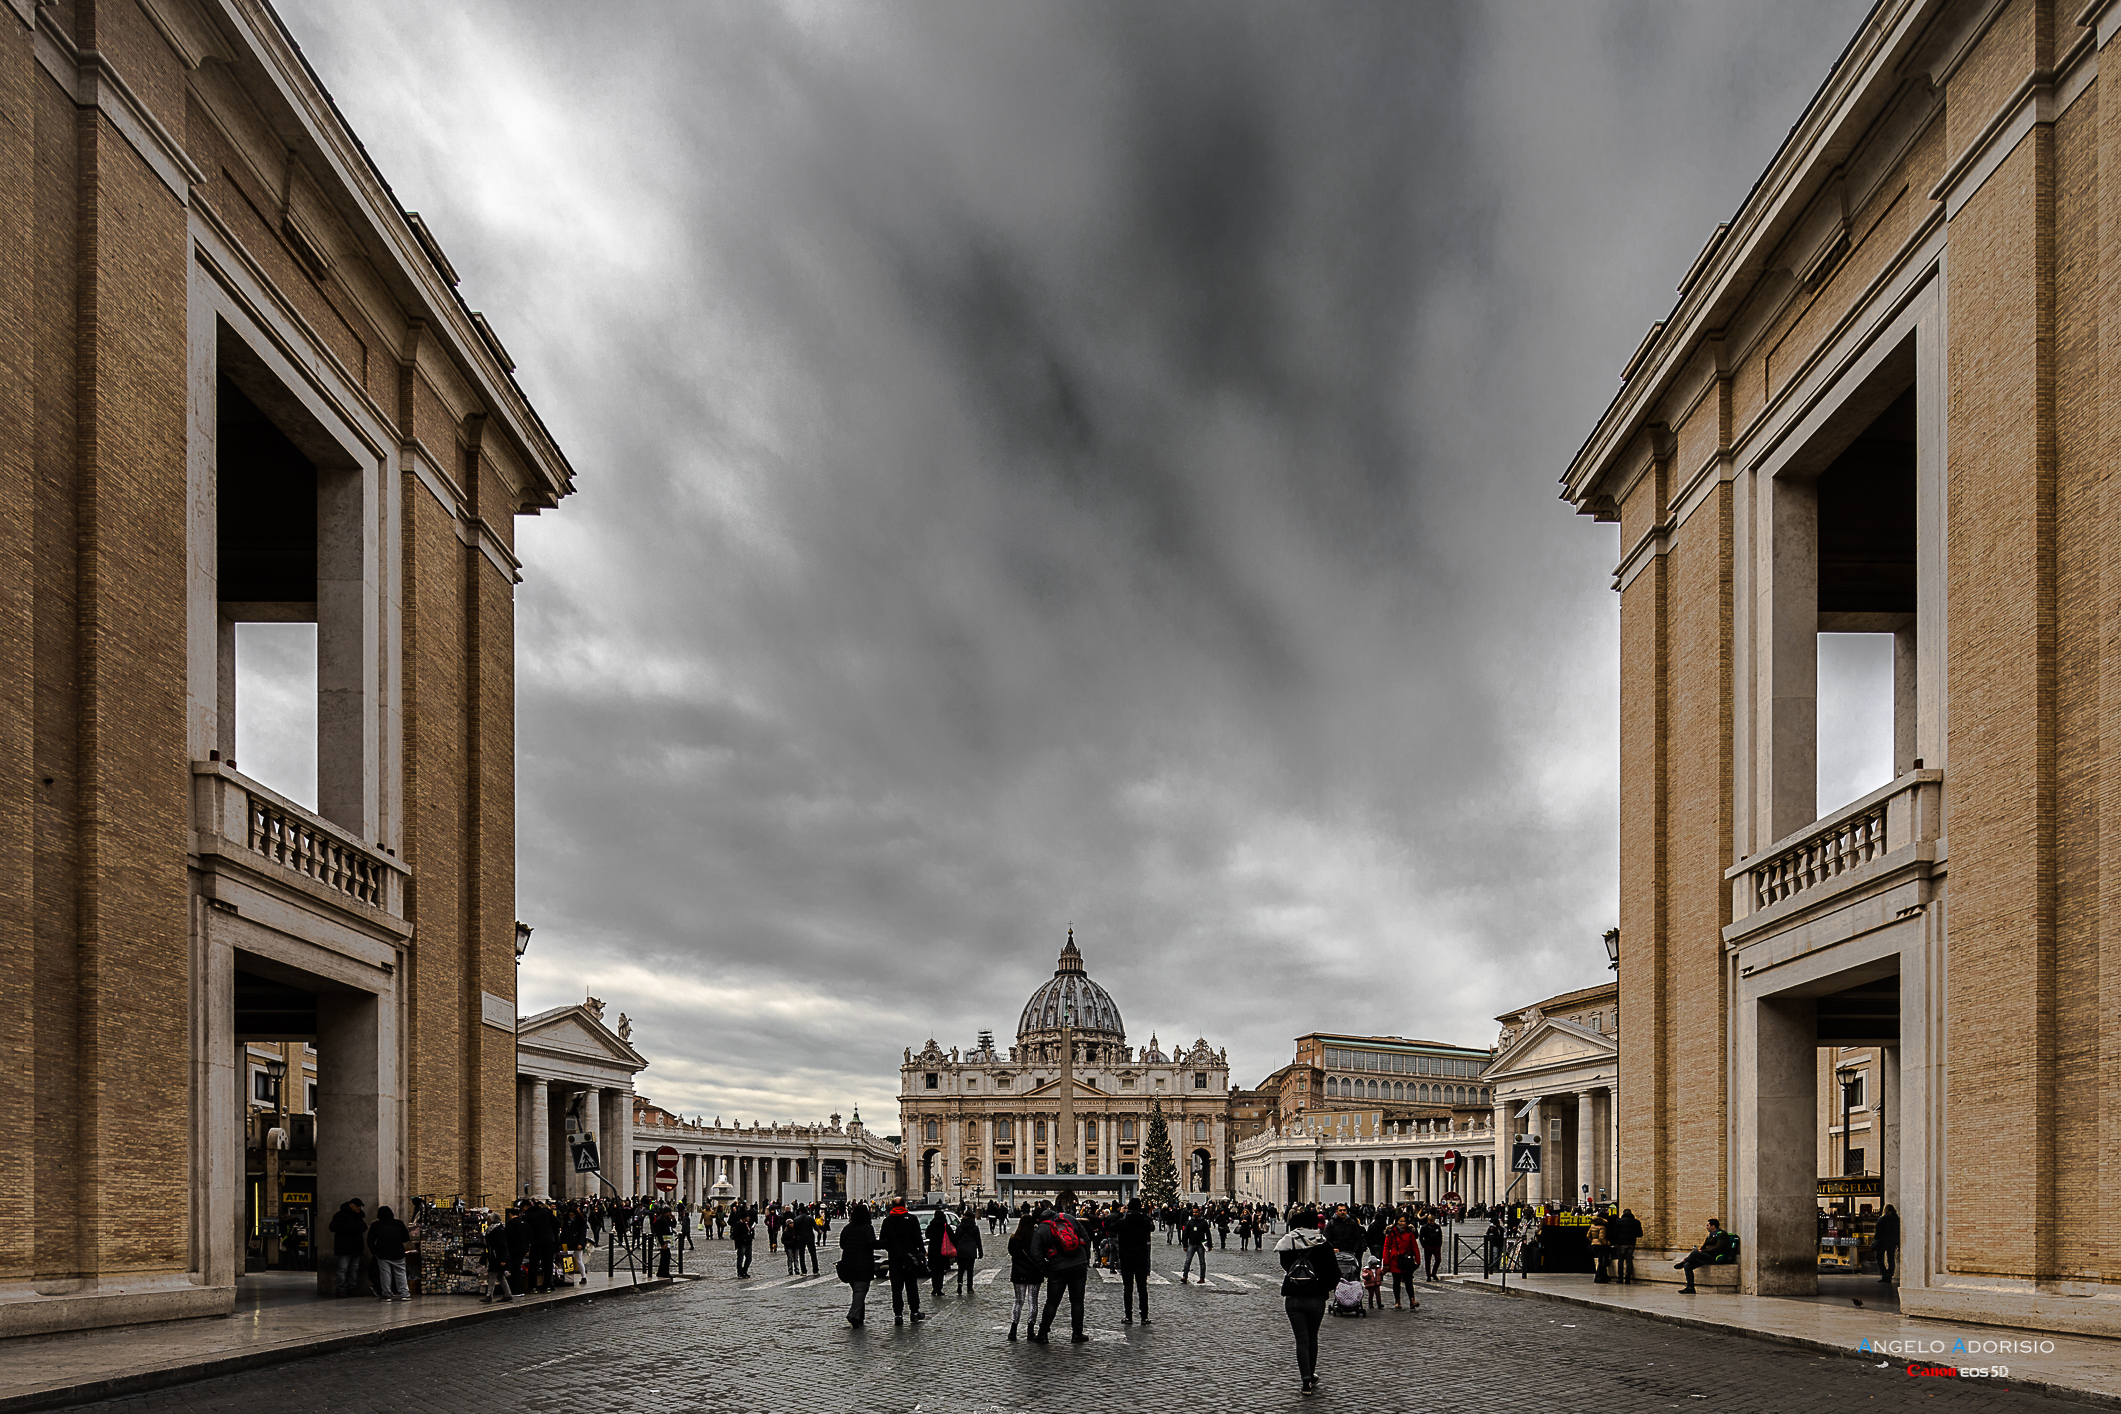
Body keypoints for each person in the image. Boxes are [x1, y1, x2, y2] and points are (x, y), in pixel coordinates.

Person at [1276, 1212, 1333, 1396]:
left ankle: (1305, 1381)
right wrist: (1323, 1287)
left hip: (1293, 1297)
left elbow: (1285, 1266)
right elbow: (1335, 1272)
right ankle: (1310, 1373)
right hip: (1316, 1297)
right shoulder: (1322, 1243)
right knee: (1312, 1337)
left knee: (1301, 1340)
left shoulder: (1287, 1242)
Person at [1030, 1190, 1091, 1344]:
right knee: (1077, 1301)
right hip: (1078, 1264)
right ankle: (1077, 1334)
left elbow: (1035, 1254)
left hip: (1057, 1268)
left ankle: (1043, 1334)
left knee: (1052, 1302)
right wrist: (1085, 1259)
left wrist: (1046, 1269)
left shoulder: (1041, 1229)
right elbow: (1086, 1239)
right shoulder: (1070, 1218)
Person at [878, 1200, 928, 1324]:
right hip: (910, 1258)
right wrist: (921, 1251)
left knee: (896, 1288)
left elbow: (883, 1240)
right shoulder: (911, 1219)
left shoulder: (887, 1221)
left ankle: (898, 1315)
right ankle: (914, 1312)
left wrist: (892, 1249)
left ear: (892, 1207)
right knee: (911, 1286)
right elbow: (918, 1238)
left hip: (894, 1259)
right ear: (904, 1206)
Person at [837, 1203, 878, 1327]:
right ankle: (853, 1315)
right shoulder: (867, 1228)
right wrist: (886, 1243)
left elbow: (842, 1244)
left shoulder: (847, 1228)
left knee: (857, 1291)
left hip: (848, 1264)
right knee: (860, 1290)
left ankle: (860, 1318)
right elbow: (872, 1243)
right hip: (863, 1264)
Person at [1006, 1209, 1044, 1341]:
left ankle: (1013, 1330)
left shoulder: (1013, 1239)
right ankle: (1030, 1330)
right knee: (1033, 1301)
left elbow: (1012, 1253)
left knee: (1018, 1302)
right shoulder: (1035, 1238)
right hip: (1034, 1273)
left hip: (1019, 1273)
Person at [1115, 1196, 1154, 1324]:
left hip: (1126, 1259)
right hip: (1141, 1258)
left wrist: (1120, 1213)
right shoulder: (1144, 1221)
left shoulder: (1122, 1222)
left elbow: (1111, 1227)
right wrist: (1144, 1214)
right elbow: (1152, 1226)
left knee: (1128, 1289)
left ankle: (1128, 1316)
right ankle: (1144, 1316)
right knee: (1142, 1288)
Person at [1675, 1217, 1735, 1293]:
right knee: (1687, 1265)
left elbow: (1718, 1248)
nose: (1706, 1227)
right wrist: (1696, 1254)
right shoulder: (1709, 1236)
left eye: (1708, 1225)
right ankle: (1690, 1288)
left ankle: (1682, 1263)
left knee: (1695, 1253)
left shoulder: (1722, 1234)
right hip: (1706, 1256)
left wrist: (1702, 1251)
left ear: (1713, 1226)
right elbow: (1702, 1248)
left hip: (1714, 1257)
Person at [369, 1204, 411, 1301]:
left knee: (385, 1274)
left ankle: (387, 1294)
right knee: (400, 1273)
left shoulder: (376, 1225)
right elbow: (406, 1238)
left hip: (382, 1252)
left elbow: (370, 1240)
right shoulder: (399, 1224)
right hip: (398, 1252)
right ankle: (404, 1293)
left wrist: (374, 1251)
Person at [328, 1198, 368, 1297]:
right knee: (343, 1268)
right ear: (351, 1205)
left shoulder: (359, 1216)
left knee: (354, 1268)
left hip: (356, 1246)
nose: (359, 1208)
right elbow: (332, 1227)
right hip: (344, 1246)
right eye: (357, 1206)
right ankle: (341, 1288)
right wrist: (351, 1228)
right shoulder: (340, 1215)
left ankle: (352, 1288)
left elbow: (363, 1227)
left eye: (360, 1206)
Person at [1381, 1215, 1418, 1310]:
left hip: (1407, 1259)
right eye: (1401, 1221)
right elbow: (1386, 1247)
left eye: (1404, 1221)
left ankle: (1412, 1301)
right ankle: (1397, 1301)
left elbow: (1414, 1246)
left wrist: (1417, 1259)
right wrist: (1385, 1262)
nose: (1403, 1223)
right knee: (1396, 1281)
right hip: (1395, 1260)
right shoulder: (1391, 1232)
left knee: (1409, 1281)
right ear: (1397, 1221)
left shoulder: (1409, 1232)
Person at [480, 1216, 515, 1303]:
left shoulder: (499, 1231)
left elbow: (503, 1245)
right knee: (500, 1276)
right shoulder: (493, 1230)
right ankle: (508, 1294)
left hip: (497, 1257)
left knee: (492, 1275)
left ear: (492, 1220)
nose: (487, 1220)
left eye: (488, 1219)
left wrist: (503, 1259)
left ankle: (489, 1295)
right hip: (495, 1256)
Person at [952, 1207, 983, 1294]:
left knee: (961, 1269)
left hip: (961, 1250)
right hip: (971, 1250)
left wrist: (956, 1250)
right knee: (970, 1270)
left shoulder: (959, 1227)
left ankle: (960, 1283)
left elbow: (956, 1240)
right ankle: (969, 1287)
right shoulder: (975, 1227)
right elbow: (978, 1241)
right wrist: (980, 1252)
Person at [1608, 1207, 1642, 1284]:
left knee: (1621, 1260)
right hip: (1631, 1243)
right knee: (1629, 1260)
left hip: (1621, 1243)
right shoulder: (1636, 1222)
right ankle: (1628, 1278)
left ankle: (1620, 1278)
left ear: (1623, 1214)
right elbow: (1640, 1234)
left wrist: (1615, 1242)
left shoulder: (1619, 1222)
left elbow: (1615, 1233)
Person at [1181, 1208, 1212, 1283]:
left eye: (1196, 1212)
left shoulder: (1203, 1222)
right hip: (1191, 1243)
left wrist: (1209, 1245)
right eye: (1193, 1212)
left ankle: (1202, 1277)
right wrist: (1184, 1244)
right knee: (1188, 1261)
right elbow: (1186, 1234)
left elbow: (1208, 1234)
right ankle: (1184, 1276)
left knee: (1202, 1261)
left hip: (1200, 1243)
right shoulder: (1190, 1222)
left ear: (1199, 1212)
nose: (1194, 1214)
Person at [1873, 1204, 1901, 1285]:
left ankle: (1884, 1274)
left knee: (1879, 1257)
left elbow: (1878, 1231)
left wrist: (1876, 1240)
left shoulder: (1883, 1218)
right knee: (1891, 1259)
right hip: (1892, 1241)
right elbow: (1898, 1232)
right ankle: (1889, 1275)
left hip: (1882, 1241)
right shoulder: (1897, 1219)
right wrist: (1898, 1242)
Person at [730, 1206, 755, 1278]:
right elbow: (736, 1235)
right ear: (744, 1218)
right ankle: (740, 1273)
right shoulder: (738, 1224)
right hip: (742, 1244)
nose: (749, 1218)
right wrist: (738, 1245)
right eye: (747, 1217)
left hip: (748, 1244)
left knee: (749, 1259)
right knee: (740, 1259)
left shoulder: (747, 1224)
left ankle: (744, 1271)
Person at [1419, 1211, 1444, 1281]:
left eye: (1433, 1221)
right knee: (1427, 1262)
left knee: (1438, 1260)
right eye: (1431, 1221)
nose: (1432, 1222)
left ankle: (1433, 1273)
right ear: (1428, 1221)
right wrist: (1424, 1245)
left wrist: (1439, 1244)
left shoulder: (1437, 1227)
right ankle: (1428, 1276)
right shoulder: (1424, 1228)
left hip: (1436, 1246)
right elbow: (1421, 1238)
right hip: (1428, 1246)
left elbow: (1440, 1236)